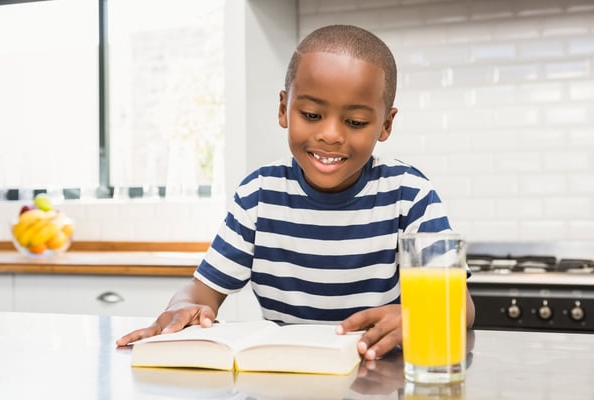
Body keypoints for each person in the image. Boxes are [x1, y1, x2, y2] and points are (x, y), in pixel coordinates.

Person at [117, 24, 475, 360]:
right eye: (311, 114)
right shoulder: (259, 194)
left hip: (381, 376)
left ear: (386, 124)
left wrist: (422, 315)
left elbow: (462, 305)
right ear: (283, 109)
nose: (331, 134)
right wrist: (181, 307)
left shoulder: (409, 194)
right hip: (286, 374)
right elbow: (201, 291)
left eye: (355, 122)